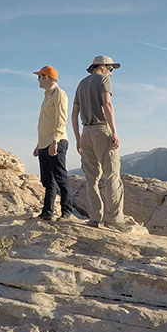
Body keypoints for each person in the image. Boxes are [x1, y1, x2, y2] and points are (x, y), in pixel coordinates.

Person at [71, 55, 129, 231]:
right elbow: (107, 104)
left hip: (86, 132)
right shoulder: (103, 80)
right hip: (101, 130)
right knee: (112, 175)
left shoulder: (81, 83)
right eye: (110, 69)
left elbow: (74, 114)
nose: (111, 73)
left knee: (91, 177)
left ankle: (95, 218)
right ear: (103, 66)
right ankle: (115, 220)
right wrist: (114, 131)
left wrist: (78, 138)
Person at [32, 65, 73, 220]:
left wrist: (54, 141)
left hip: (56, 141)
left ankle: (66, 212)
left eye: (39, 77)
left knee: (61, 178)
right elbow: (45, 122)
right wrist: (39, 144)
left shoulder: (59, 94)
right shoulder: (47, 96)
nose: (38, 80)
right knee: (47, 181)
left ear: (46, 77)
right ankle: (47, 213)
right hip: (44, 143)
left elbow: (61, 119)